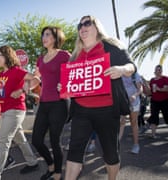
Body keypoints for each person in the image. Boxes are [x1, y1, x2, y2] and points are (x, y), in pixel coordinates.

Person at [64, 15, 135, 180]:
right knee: (74, 153)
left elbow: (131, 66)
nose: (82, 27)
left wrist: (121, 69)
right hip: (81, 111)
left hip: (107, 110)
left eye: (87, 23)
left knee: (110, 154)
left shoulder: (111, 46)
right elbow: (72, 82)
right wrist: (66, 86)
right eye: (79, 25)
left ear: (97, 26)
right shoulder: (75, 55)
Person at [0, 45, 39, 180]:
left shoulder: (17, 71)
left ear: (7, 56)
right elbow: (2, 93)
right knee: (20, 139)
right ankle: (33, 162)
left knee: (3, 141)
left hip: (16, 110)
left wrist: (23, 90)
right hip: (6, 110)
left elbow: (36, 79)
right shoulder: (2, 75)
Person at [31, 26, 70, 180]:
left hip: (59, 103)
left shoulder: (64, 55)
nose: (44, 38)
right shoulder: (40, 59)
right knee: (36, 140)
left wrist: (66, 84)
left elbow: (74, 74)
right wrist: (27, 84)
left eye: (47, 35)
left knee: (55, 141)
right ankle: (51, 165)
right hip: (44, 103)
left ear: (55, 37)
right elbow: (37, 78)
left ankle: (58, 174)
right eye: (43, 35)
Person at [146, 65, 168, 138]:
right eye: (157, 70)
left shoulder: (165, 78)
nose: (159, 71)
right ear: (154, 71)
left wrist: (159, 89)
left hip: (165, 100)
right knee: (154, 116)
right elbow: (150, 91)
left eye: (160, 70)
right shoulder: (152, 80)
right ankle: (153, 134)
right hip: (154, 100)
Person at [119, 72, 143, 154]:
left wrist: (135, 95)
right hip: (123, 102)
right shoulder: (119, 74)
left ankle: (136, 145)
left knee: (133, 122)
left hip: (134, 102)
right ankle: (116, 145)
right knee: (121, 122)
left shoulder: (135, 74)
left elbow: (140, 89)